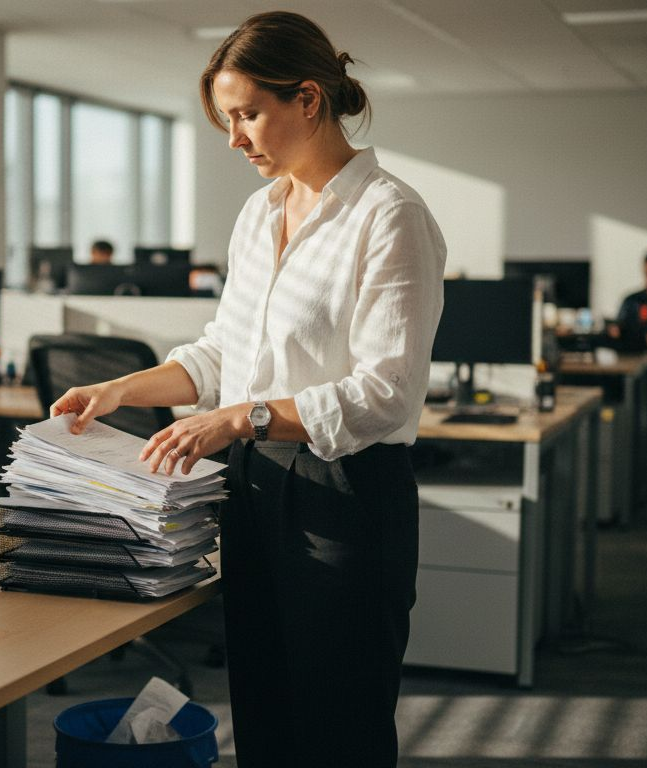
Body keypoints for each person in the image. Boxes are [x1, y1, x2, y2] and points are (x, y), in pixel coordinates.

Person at [49, 11, 446, 766]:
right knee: (262, 714)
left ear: (307, 98)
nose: (235, 138)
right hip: (255, 485)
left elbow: (387, 393)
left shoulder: (389, 214)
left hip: (344, 491)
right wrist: (120, 389)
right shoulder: (259, 213)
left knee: (338, 728)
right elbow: (224, 351)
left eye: (247, 114)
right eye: (226, 119)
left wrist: (241, 418)